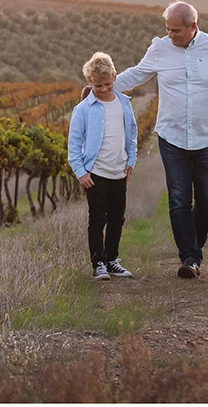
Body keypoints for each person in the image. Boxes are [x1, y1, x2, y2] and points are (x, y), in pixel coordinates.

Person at [110, 1, 208, 279]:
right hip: (172, 136)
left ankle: (194, 249)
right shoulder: (160, 48)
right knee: (179, 199)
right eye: (167, 30)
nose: (170, 36)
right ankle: (189, 257)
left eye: (176, 31)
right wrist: (104, 85)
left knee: (207, 202)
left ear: (193, 27)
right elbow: (137, 74)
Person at [68, 52, 138, 281]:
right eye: (98, 86)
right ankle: (98, 263)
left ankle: (112, 260)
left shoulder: (124, 104)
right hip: (95, 173)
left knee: (118, 217)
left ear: (115, 77)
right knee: (98, 218)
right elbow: (74, 144)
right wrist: (80, 172)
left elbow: (132, 135)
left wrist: (130, 162)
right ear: (90, 83)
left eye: (108, 84)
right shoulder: (84, 109)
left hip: (119, 171)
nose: (104, 89)